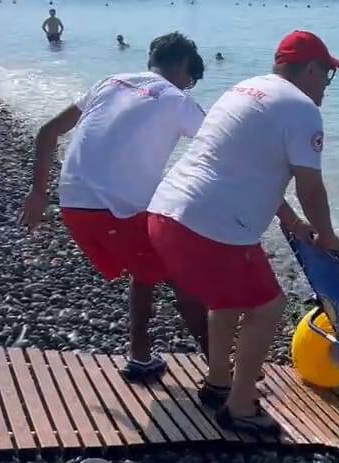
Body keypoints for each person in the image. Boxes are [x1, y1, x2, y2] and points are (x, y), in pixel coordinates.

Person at [146, 30, 339, 435]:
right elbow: (310, 187)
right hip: (209, 226)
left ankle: (219, 382)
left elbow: (247, 170)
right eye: (326, 74)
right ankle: (240, 407)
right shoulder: (303, 109)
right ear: (310, 68)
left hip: (165, 214)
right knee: (268, 305)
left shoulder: (245, 88)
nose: (326, 85)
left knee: (229, 297)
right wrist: (328, 237)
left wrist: (292, 224)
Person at [18, 32, 209, 382]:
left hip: (73, 206)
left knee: (147, 263)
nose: (189, 86)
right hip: (114, 211)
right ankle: (223, 373)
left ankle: (140, 358)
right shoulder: (178, 99)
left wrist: (38, 194)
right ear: (182, 66)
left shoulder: (110, 82)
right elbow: (222, 144)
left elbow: (47, 132)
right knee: (187, 275)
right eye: (191, 79)